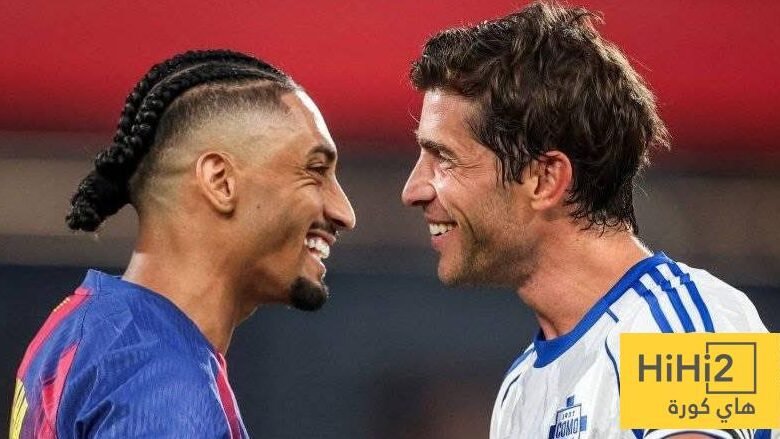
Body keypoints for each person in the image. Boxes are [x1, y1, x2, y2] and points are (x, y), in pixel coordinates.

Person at [401, 2, 769, 438]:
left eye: (444, 158)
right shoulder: (518, 391)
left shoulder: (689, 334)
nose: (413, 189)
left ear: (544, 179)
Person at [9, 49, 355, 438]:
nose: (345, 212)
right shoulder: (166, 391)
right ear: (221, 182)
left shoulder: (84, 325)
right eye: (315, 171)